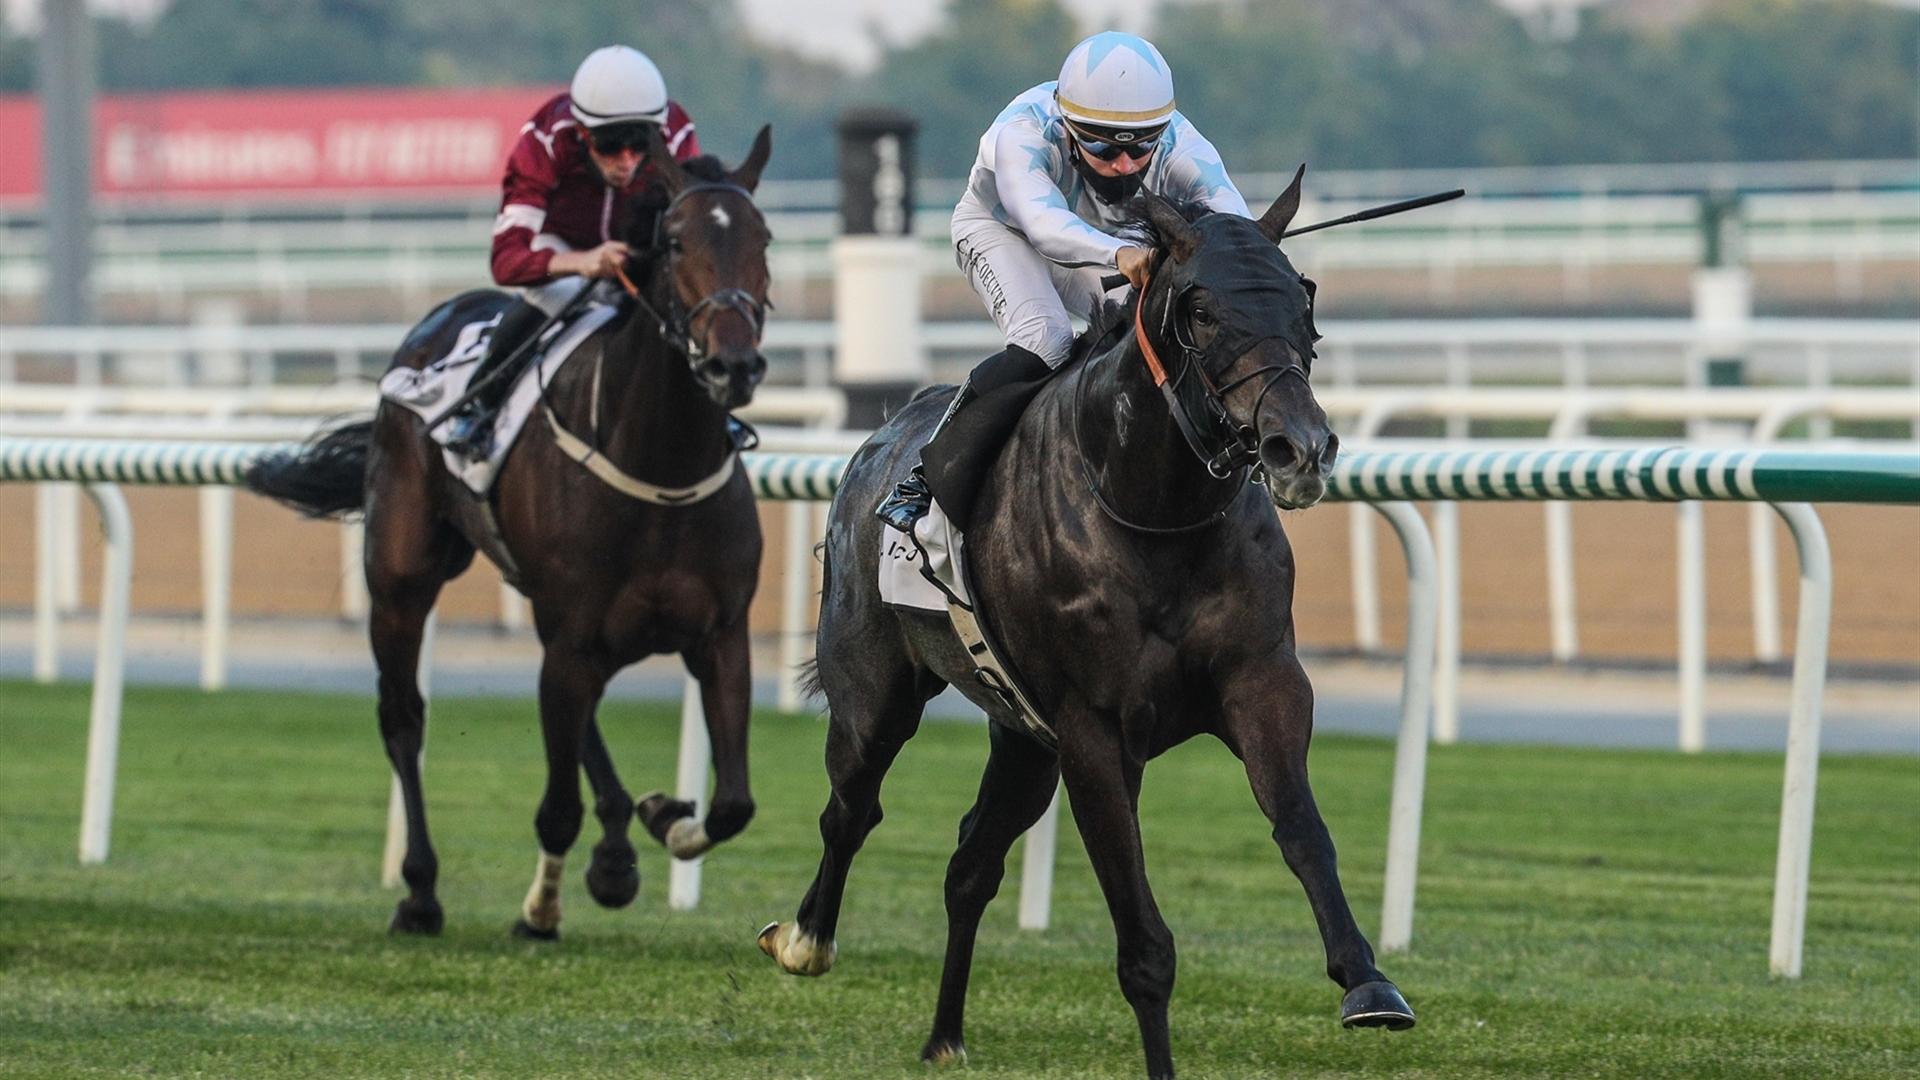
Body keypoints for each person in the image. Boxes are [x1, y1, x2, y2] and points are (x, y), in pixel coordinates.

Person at [875, 31, 1254, 533]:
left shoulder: (1183, 143)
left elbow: (1235, 224)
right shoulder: (1023, 131)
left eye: (1140, 148)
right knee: (1045, 339)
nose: (1123, 164)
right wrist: (1120, 252)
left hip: (1097, 241)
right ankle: (927, 476)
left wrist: (1250, 252)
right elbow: (1043, 227)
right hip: (1004, 230)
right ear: (1069, 124)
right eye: (1102, 146)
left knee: (1147, 331)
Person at [444, 45, 703, 459]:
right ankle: (481, 409)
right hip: (562, 249)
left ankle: (710, 412)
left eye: (640, 145)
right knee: (552, 296)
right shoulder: (545, 140)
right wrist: (581, 264)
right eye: (611, 145)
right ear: (582, 134)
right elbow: (506, 259)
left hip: (635, 249)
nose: (627, 161)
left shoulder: (678, 135)